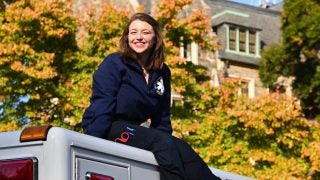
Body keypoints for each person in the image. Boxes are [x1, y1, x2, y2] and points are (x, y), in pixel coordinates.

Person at [82, 12, 221, 180]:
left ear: (155, 37)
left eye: (145, 32)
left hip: (136, 129)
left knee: (182, 148)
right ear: (127, 37)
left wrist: (166, 141)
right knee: (163, 143)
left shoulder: (162, 72)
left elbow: (162, 116)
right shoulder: (114, 63)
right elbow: (102, 104)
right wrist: (92, 144)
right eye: (133, 32)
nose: (138, 37)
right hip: (108, 125)